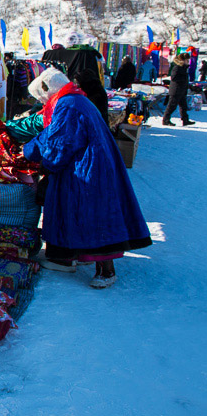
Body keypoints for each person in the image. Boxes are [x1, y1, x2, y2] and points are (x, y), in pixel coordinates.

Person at [23, 68, 151, 288]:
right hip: (90, 163)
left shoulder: (68, 105)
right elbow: (52, 134)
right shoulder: (75, 100)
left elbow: (59, 143)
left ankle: (106, 270)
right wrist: (31, 148)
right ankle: (65, 256)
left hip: (89, 167)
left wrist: (37, 157)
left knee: (92, 213)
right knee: (75, 210)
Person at [162, 53, 193, 126]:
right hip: (176, 90)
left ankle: (185, 120)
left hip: (181, 90)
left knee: (184, 106)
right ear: (183, 60)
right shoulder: (177, 67)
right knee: (171, 106)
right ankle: (165, 120)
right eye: (187, 60)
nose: (188, 61)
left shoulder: (184, 68)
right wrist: (183, 79)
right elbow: (174, 78)